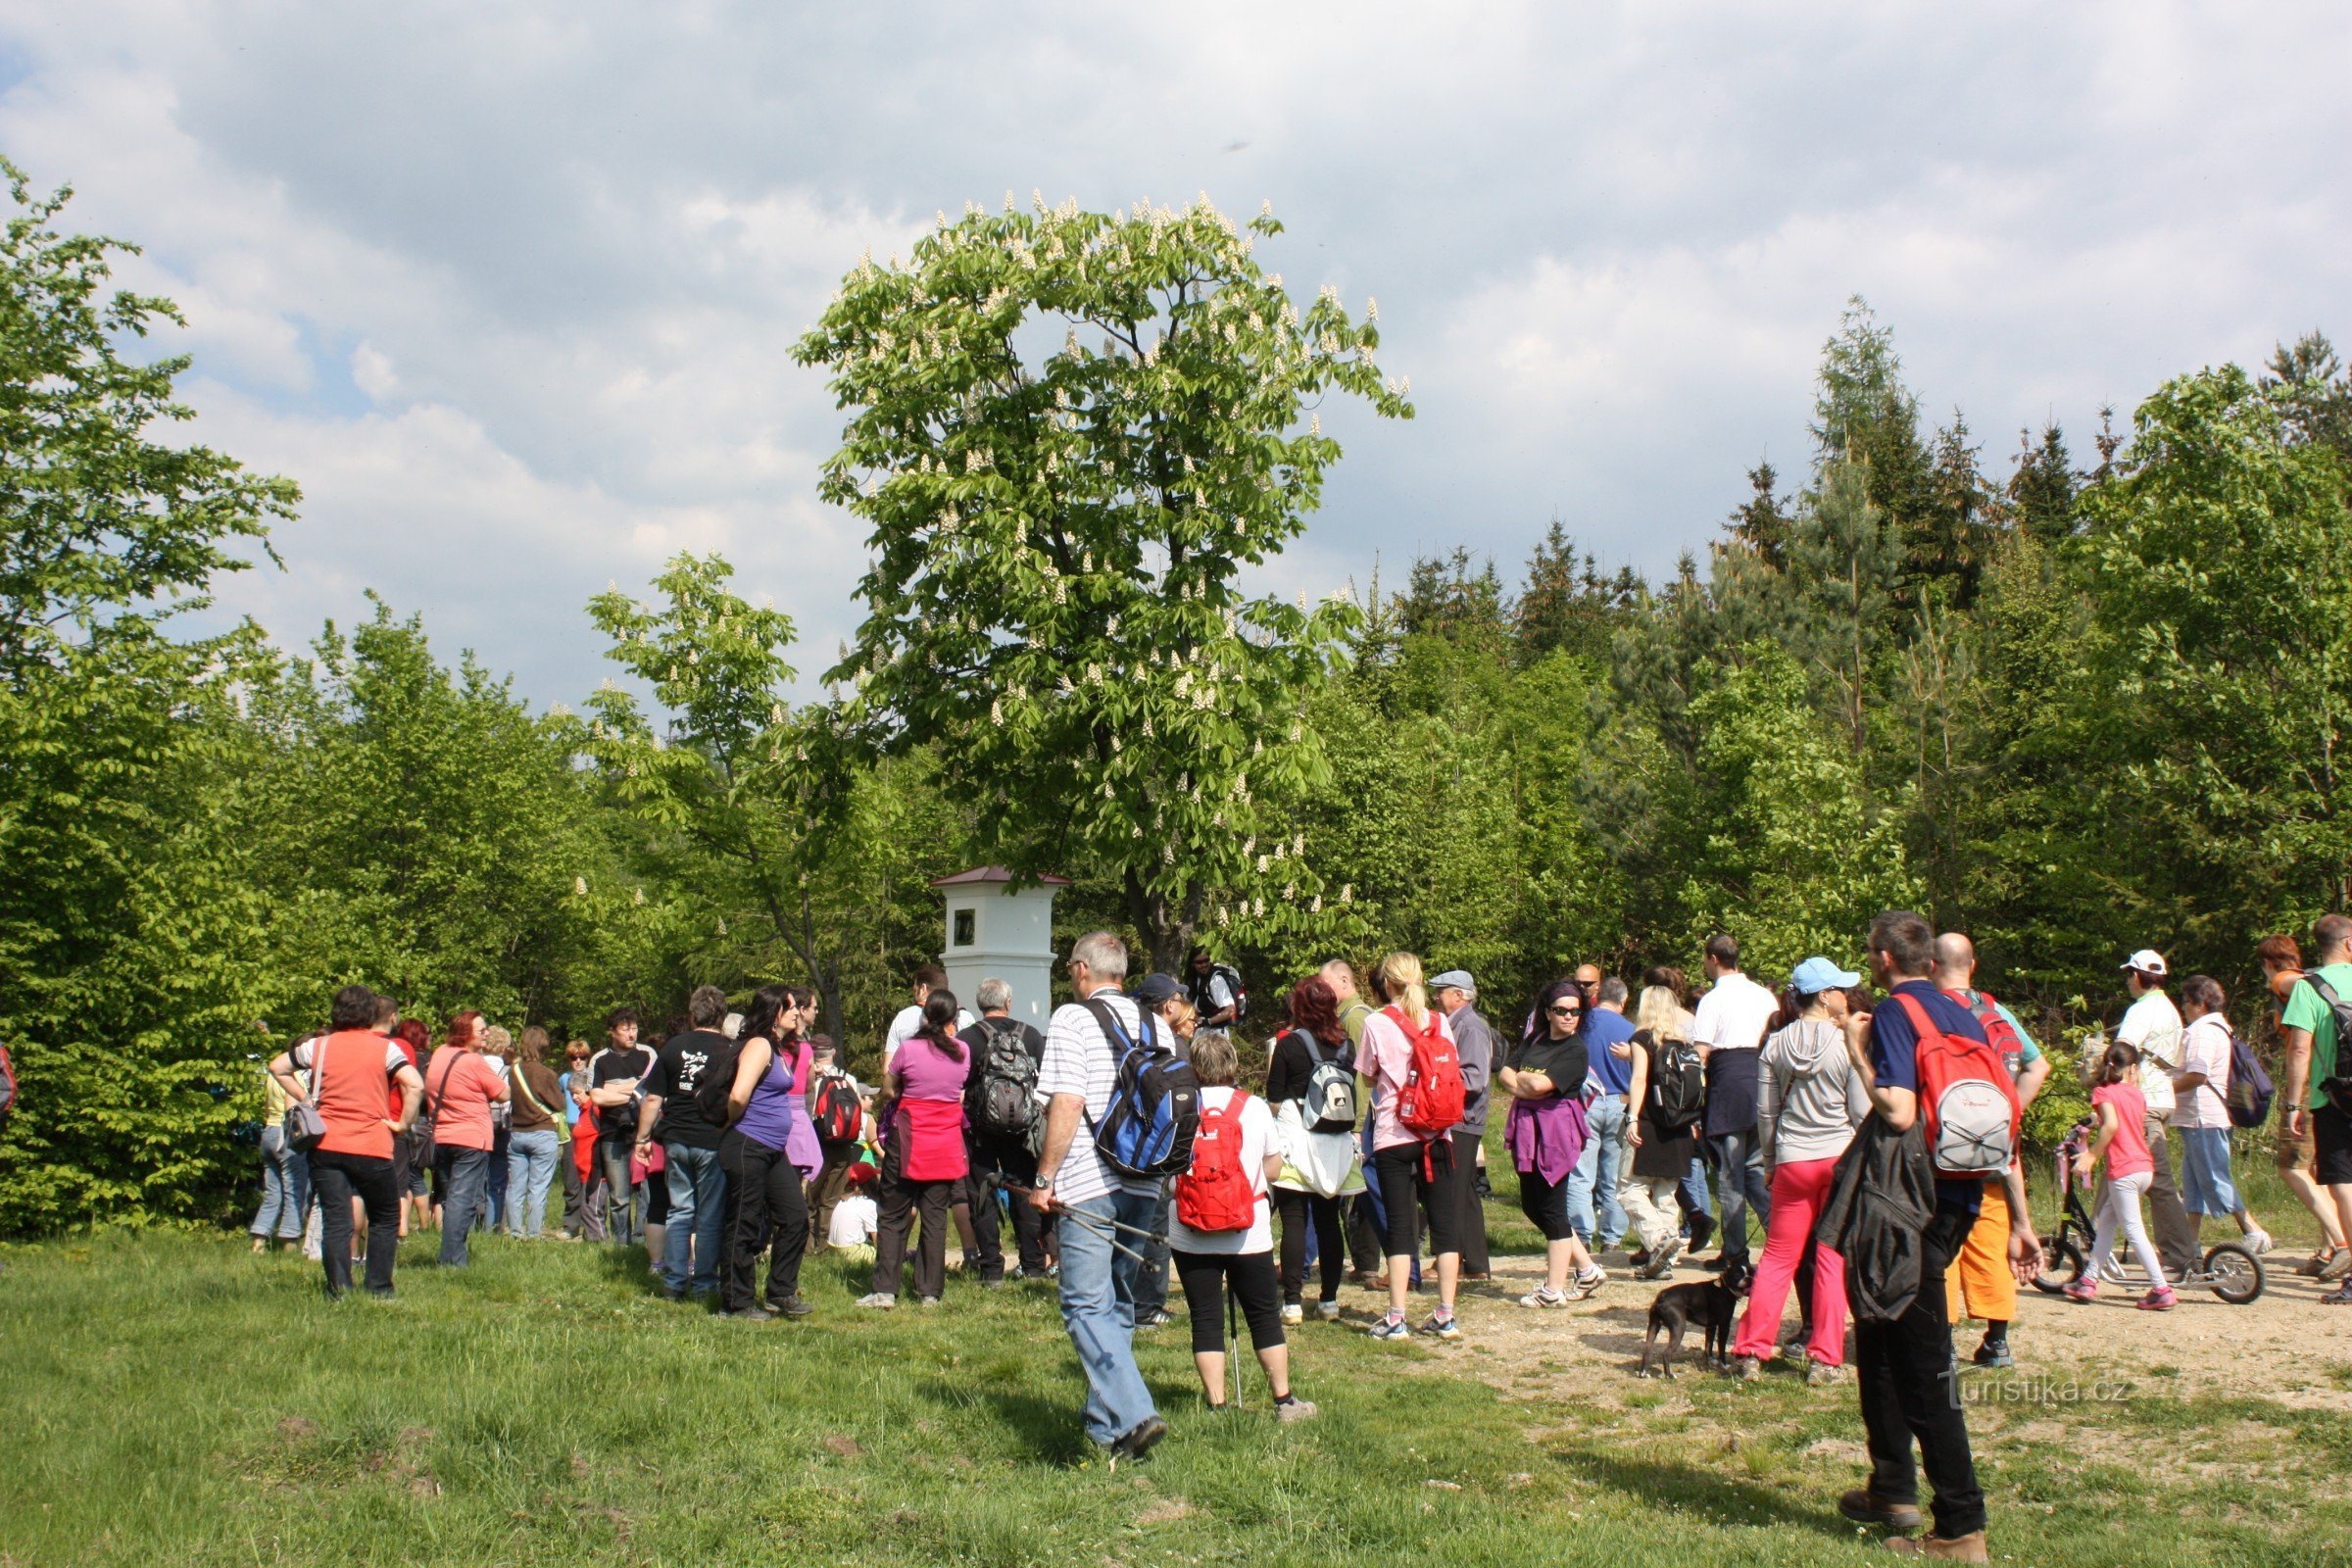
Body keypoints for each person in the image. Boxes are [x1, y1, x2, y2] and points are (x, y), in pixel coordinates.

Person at [1833, 909, 2041, 1560]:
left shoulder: (1898, 1013)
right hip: (1960, 1194)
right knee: (1878, 1329)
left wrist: (1855, 1050)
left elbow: (1896, 1110)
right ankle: (1892, 1485)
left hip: (1907, 1203)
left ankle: (1960, 1527)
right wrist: (2024, 1219)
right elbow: (2004, 1100)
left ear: (1884, 958)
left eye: (1871, 953)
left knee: (1923, 1363)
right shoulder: (1968, 1013)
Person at [1029, 931, 1168, 1461]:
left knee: (1085, 1305)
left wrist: (1045, 1179)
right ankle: (1106, 1431)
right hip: (1146, 1181)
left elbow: (1067, 1101)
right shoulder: (1155, 1023)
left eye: (1071, 968)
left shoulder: (1072, 1017)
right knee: (1117, 1305)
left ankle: (1135, 1414)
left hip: (1090, 1180)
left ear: (1083, 969)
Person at [1166, 1028, 1316, 1421]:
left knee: (1206, 1317)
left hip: (1190, 1229)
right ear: (1232, 1064)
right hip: (1247, 1229)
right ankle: (1284, 1401)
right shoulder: (1253, 1108)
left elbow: (1166, 1171)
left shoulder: (1178, 1105)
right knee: (1264, 1315)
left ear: (1193, 1067)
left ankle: (1216, 1405)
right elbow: (1273, 1165)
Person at [1731, 958, 1868, 1382]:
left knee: (1777, 1258)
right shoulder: (1846, 1041)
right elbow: (1860, 1111)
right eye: (1840, 988)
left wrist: (1770, 1162)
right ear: (1825, 996)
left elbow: (1766, 1113)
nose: (1845, 995)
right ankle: (1825, 1359)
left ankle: (1750, 1351)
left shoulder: (1774, 1044)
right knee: (1830, 1257)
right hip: (1838, 1158)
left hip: (1792, 1159)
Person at [1933, 933, 2052, 1371]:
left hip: (1945, 1149)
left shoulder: (1928, 1010)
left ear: (1930, 965)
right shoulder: (1996, 1010)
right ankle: (1996, 1341)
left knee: (1943, 1244)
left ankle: (1942, 1343)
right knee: (1994, 1238)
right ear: (1973, 965)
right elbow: (2039, 1065)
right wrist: (2008, 1113)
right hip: (1995, 1148)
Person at [268, 986, 425, 1298]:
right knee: (384, 1215)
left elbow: (277, 1067)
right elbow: (415, 1084)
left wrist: (305, 1098)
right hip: (372, 1145)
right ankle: (379, 1288)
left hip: (326, 1144)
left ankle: (338, 1291)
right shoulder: (386, 1049)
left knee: (336, 1219)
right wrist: (403, 1123)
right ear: (370, 1013)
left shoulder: (318, 1047)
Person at [1360, 952, 1468, 1342]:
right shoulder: (1440, 1020)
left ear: (1387, 983)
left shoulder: (1376, 1021)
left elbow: (1369, 1076)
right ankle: (1446, 1314)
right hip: (1439, 1134)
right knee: (1445, 1226)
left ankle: (1396, 1316)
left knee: (1401, 1228)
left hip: (1394, 1132)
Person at [860, 990, 973, 1308]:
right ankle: (930, 1293)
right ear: (954, 1021)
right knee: (935, 1215)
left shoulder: (908, 1050)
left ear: (925, 1017)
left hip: (908, 1140)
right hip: (945, 1142)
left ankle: (885, 1290)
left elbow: (888, 1087)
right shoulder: (962, 1052)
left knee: (894, 1212)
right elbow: (960, 1088)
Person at [2095, 950, 2200, 1284]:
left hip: (2143, 1102)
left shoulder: (2140, 1010)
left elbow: (2120, 1056)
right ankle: (2096, 1246)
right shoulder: (2169, 1009)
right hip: (2162, 1098)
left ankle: (2182, 1256)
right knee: (2122, 1170)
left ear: (2140, 976)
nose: (2128, 980)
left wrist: (2097, 1082)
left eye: (2130, 974)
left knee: (2155, 1182)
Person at [1502, 979, 1606, 1308]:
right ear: (1547, 1012)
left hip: (1555, 1134)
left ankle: (1553, 1289)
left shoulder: (1575, 1050)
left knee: (1552, 1206)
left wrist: (1522, 1083)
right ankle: (1587, 1269)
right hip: (1528, 1128)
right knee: (1534, 1205)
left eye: (1575, 1011)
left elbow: (1541, 1084)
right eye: (1561, 1010)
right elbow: (1505, 1071)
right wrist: (1523, 1085)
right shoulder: (1537, 1038)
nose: (1569, 1016)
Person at [1266, 975, 1364, 1323]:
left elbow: (1274, 1096)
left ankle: (1292, 1302)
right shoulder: (1347, 1046)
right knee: (1328, 1223)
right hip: (1335, 1142)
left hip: (1297, 1138)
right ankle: (1329, 1301)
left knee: (1294, 1222)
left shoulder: (1289, 1045)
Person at [715, 983, 813, 1321]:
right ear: (775, 1013)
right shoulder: (758, 1046)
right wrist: (733, 1126)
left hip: (771, 1150)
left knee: (795, 1217)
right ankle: (736, 1302)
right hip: (748, 1145)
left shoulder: (775, 1048)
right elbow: (739, 1095)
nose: (798, 1013)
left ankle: (780, 1291)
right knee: (744, 1223)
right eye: (792, 1008)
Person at [635, 985, 739, 1300]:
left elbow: (653, 1098)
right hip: (712, 1139)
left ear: (693, 1013)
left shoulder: (672, 1047)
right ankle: (705, 1285)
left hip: (676, 1139)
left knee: (679, 1211)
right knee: (708, 1215)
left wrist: (642, 1138)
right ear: (721, 1016)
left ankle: (674, 1282)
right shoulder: (731, 1050)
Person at [2259, 935, 2350, 1277]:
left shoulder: (2288, 980)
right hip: (2328, 1085)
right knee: (2323, 1171)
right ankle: (2330, 1248)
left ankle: (2342, 1244)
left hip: (2317, 1088)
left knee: (2293, 1167)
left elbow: (2299, 1046)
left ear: (2268, 963)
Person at [2064, 1043, 2175, 1309]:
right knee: (2107, 1223)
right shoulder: (2136, 1094)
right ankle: (2088, 1281)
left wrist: (2091, 1155)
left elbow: (2112, 1124)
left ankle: (2161, 1289)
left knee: (2134, 1230)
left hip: (2123, 1170)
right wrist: (2094, 1119)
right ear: (2133, 1069)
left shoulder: (2102, 1091)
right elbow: (2117, 1117)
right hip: (2143, 1167)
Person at [959, 978, 1052, 1284]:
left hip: (981, 1129)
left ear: (979, 1004)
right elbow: (1046, 1080)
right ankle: (1033, 1265)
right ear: (1008, 1003)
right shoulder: (1031, 1035)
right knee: (1024, 1191)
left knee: (982, 1193)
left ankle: (991, 1269)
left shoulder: (967, 1038)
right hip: (1023, 1129)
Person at [1691, 934, 1776, 1268]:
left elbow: (1701, 1052)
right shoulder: (1764, 995)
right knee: (1755, 1168)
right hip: (1762, 1083)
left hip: (1727, 1086)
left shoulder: (1713, 1000)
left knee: (1729, 1176)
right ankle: (1783, 1237)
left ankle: (1736, 1253)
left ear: (1712, 958)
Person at [1622, 979, 1701, 1278]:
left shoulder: (1643, 1038)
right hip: (1680, 1126)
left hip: (1649, 1124)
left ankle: (1659, 1240)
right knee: (1667, 1193)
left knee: (1630, 1189)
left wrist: (1632, 1117)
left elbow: (1640, 1078)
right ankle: (1664, 1264)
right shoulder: (1684, 1044)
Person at [425, 1011, 510, 1266]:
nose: (486, 1033)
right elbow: (503, 1093)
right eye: (481, 1029)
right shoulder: (473, 1061)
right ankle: (452, 1259)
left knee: (451, 1198)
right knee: (463, 1201)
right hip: (471, 1139)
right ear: (464, 1032)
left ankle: (451, 1255)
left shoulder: (440, 1053)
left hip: (441, 1136)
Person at [1429, 970, 1494, 1282]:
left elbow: (1476, 1077)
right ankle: (1477, 1264)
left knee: (1451, 1190)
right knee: (1465, 1191)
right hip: (1457, 1118)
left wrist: (1435, 1083)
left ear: (1458, 995)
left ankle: (1448, 1261)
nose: (1436, 998)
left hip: (1462, 1120)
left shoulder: (1471, 1027)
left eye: (1440, 992)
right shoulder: (1458, 1025)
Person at [1567, 971, 1635, 1255]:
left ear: (1598, 995)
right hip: (1620, 1101)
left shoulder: (1583, 1024)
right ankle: (1612, 1238)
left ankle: (1581, 1235)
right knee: (1615, 1176)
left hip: (1586, 1102)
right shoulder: (1631, 1029)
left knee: (1581, 1173)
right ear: (1624, 999)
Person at [585, 1008, 655, 1247]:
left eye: (634, 1028)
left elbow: (651, 1091)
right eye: (625, 1029)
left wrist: (613, 1089)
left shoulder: (648, 1055)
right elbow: (597, 1098)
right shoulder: (600, 1059)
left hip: (644, 1134)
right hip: (612, 1134)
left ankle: (642, 1239)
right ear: (612, 1032)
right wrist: (634, 1093)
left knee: (647, 1192)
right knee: (619, 1195)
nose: (631, 1033)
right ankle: (621, 1243)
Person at [504, 1026, 566, 1239]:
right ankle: (533, 1234)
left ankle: (514, 1232)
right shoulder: (546, 1073)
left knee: (515, 1188)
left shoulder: (514, 1071)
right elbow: (559, 1104)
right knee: (538, 1188)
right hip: (542, 1133)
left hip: (517, 1134)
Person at [805, 1035, 863, 1255]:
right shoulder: (849, 1079)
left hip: (816, 1146)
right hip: (844, 1147)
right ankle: (825, 1248)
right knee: (830, 1200)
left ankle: (807, 1249)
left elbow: (808, 1114)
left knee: (809, 1200)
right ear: (834, 1053)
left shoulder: (812, 1080)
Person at [251, 1050, 312, 1254]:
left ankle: (259, 1240)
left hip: (268, 1132)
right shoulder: (292, 1077)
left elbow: (268, 1108)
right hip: (286, 1136)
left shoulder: (271, 1077)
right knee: (295, 1191)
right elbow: (291, 1110)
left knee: (272, 1192)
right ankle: (290, 1242)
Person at [386, 1015, 432, 1238]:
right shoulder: (428, 1060)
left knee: (405, 1175)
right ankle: (419, 1224)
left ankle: (404, 1225)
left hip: (401, 1117)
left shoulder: (394, 1052)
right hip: (421, 1120)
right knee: (413, 1175)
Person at [883, 963, 969, 1061]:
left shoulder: (903, 1017)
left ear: (923, 988)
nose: (914, 994)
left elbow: (888, 1068)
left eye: (915, 990)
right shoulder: (965, 1016)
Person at [557, 1039, 598, 1240]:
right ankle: (571, 1224)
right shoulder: (564, 1079)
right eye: (574, 1058)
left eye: (582, 1057)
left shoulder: (593, 1077)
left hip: (589, 1126)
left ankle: (591, 1225)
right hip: (571, 1127)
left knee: (590, 1177)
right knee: (570, 1177)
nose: (579, 1061)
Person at [1185, 949, 1242, 1031]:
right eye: (1199, 962)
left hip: (1216, 1033)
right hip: (1201, 1031)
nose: (1204, 964)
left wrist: (1208, 1021)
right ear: (1193, 964)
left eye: (1206, 961)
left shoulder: (1216, 980)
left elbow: (1230, 1010)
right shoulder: (1193, 980)